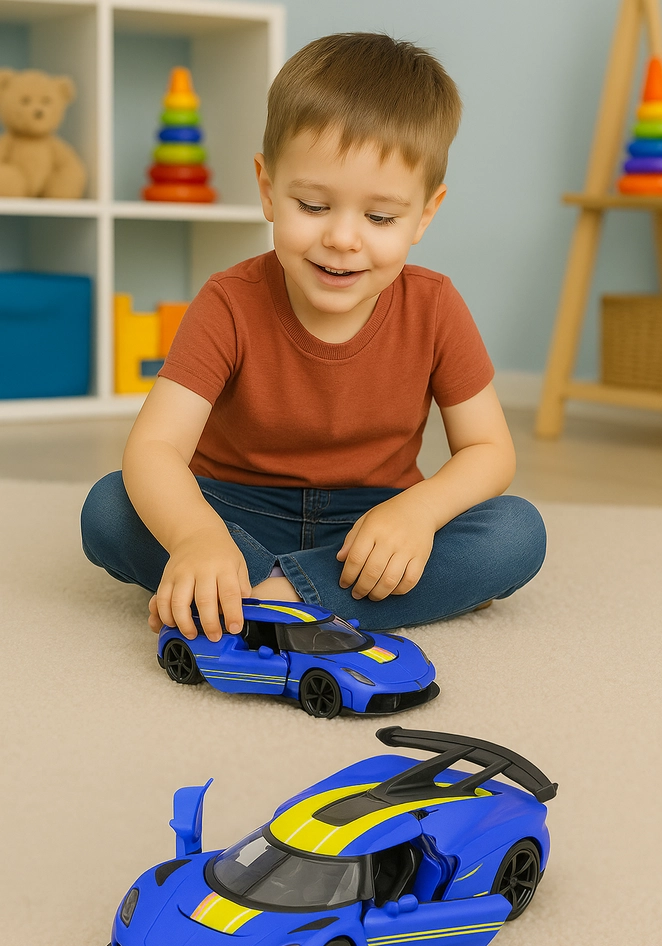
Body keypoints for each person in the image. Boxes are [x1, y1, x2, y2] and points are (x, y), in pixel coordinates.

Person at [81, 32, 546, 645]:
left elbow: (489, 450)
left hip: (373, 522)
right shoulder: (229, 301)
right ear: (269, 189)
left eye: (380, 217)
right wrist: (196, 537)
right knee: (110, 508)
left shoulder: (435, 305)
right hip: (234, 511)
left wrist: (418, 511)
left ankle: (265, 598)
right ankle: (292, 594)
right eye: (313, 206)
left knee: (516, 532)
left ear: (424, 215)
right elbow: (154, 448)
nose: (343, 239)